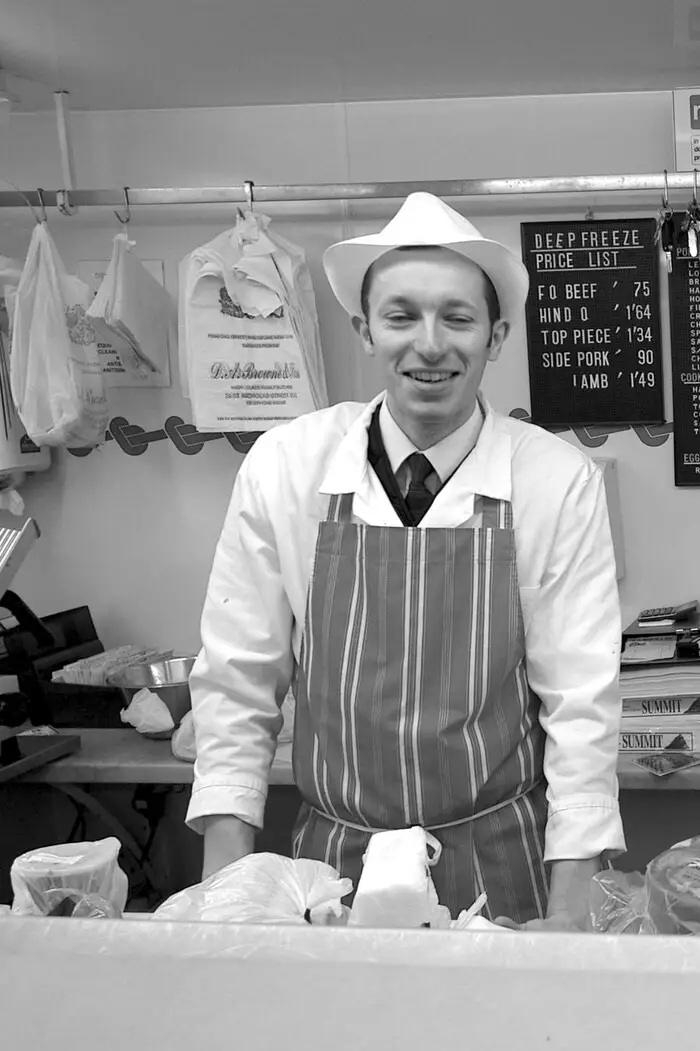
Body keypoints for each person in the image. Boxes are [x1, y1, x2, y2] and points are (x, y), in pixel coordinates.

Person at [185, 192, 624, 928]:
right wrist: (226, 892)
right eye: (401, 316)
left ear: (497, 335)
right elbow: (237, 681)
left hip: (501, 870)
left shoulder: (556, 480)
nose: (430, 344)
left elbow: (580, 701)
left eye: (458, 317)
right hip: (331, 875)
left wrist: (573, 909)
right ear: (365, 330)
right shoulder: (286, 467)